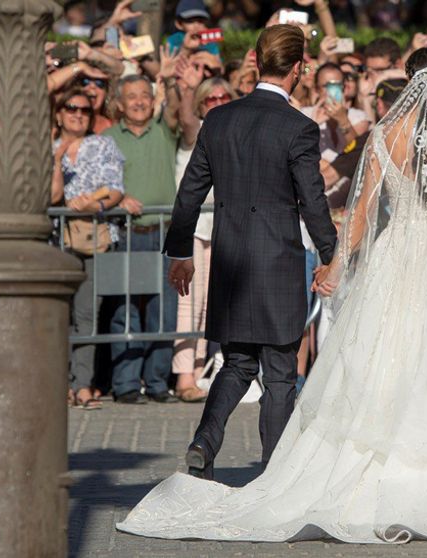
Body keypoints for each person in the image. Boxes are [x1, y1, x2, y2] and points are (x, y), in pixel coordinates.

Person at [118, 47, 427, 544]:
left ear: (408, 82)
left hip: (394, 258)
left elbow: (360, 212)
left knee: (382, 354)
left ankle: (303, 462)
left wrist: (336, 266)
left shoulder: (384, 135)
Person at [161, 24, 338, 479]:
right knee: (279, 372)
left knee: (237, 362)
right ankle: (273, 473)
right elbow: (312, 200)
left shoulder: (219, 119)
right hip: (277, 261)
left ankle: (204, 442)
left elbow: (190, 192)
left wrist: (180, 252)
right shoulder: (298, 127)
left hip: (231, 259)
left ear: (257, 62)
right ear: (298, 69)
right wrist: (330, 254)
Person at [101, 74, 186, 404]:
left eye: (144, 96)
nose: (138, 102)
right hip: (126, 232)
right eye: (131, 96)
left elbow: (177, 109)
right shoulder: (107, 138)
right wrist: (117, 198)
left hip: (164, 232)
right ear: (119, 104)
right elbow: (97, 182)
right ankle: (125, 384)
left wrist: (174, 81)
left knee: (163, 309)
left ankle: (157, 382)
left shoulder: (165, 131)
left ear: (153, 101)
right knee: (125, 310)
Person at [50, 88, 125, 410]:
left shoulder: (103, 144)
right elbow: (52, 197)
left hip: (94, 238)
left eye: (84, 109)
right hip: (55, 241)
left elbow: (116, 190)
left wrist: (94, 204)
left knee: (86, 314)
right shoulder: (47, 147)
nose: (78, 114)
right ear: (59, 114)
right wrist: (56, 162)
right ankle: (60, 383)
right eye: (71, 108)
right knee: (58, 314)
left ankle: (82, 385)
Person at [170, 77, 235, 403]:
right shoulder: (197, 130)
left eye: (224, 97)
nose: (218, 102)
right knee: (189, 303)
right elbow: (185, 120)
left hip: (219, 228)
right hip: (192, 229)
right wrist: (186, 90)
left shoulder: (232, 133)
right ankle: (183, 376)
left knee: (209, 305)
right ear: (201, 104)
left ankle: (197, 372)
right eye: (211, 99)